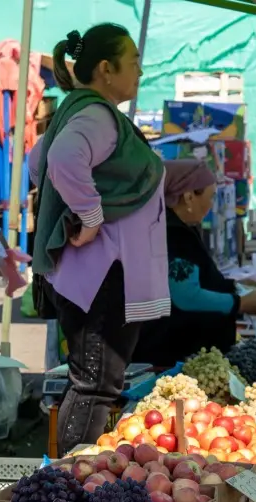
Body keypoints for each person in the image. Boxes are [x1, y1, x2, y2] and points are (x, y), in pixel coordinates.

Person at [32, 23, 169, 454]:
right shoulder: (96, 114)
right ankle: (71, 486)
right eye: (133, 64)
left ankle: (75, 483)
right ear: (106, 69)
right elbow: (59, 158)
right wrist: (90, 215)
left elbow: (38, 165)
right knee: (94, 385)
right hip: (104, 275)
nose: (140, 72)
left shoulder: (80, 110)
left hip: (95, 275)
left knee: (95, 383)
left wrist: (86, 203)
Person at [133, 159, 256, 366]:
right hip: (171, 354)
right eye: (210, 197)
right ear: (189, 197)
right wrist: (240, 304)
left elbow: (195, 278)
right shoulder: (173, 234)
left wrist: (233, 286)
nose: (211, 205)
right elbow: (185, 296)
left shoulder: (173, 228)